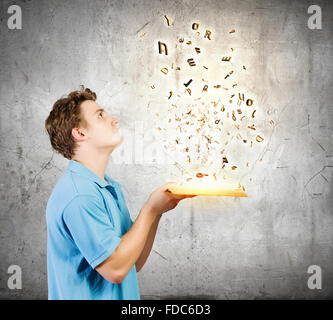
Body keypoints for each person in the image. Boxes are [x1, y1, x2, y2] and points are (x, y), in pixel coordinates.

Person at [44, 86, 195, 300]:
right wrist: (150, 210)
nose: (114, 120)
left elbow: (133, 261)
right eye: (100, 116)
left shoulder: (107, 187)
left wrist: (159, 211)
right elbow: (115, 270)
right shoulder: (79, 196)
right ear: (79, 133)